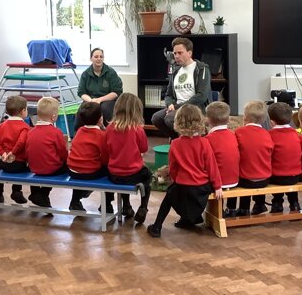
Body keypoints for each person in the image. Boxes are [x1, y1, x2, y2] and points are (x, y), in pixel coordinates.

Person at [147, 104, 222, 238]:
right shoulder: (204, 142)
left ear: (178, 122)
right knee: (182, 193)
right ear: (200, 121)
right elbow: (212, 166)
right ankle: (192, 218)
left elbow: (173, 168)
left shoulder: (175, 144)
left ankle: (157, 227)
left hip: (182, 186)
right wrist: (217, 186)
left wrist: (176, 180)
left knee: (169, 196)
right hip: (202, 188)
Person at [151, 37, 212, 140]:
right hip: (177, 107)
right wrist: (170, 104)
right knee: (156, 118)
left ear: (189, 53)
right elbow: (169, 94)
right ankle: (177, 140)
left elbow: (202, 96)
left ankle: (188, 140)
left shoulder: (201, 69)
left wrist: (177, 107)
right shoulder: (176, 71)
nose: (176, 56)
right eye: (175, 53)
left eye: (180, 53)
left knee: (170, 118)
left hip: (195, 108)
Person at [105, 93, 151, 224]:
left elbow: (107, 150)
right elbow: (144, 149)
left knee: (121, 172)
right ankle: (143, 207)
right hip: (133, 174)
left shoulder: (109, 128)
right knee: (148, 176)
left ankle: (126, 206)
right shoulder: (138, 129)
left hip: (114, 175)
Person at [67, 101, 113, 212]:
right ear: (100, 119)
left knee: (80, 167)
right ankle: (106, 204)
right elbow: (105, 159)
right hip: (90, 173)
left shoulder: (79, 131)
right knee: (111, 170)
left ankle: (75, 201)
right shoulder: (101, 135)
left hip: (72, 170)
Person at [26, 97, 69, 208]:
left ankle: (35, 193)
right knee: (63, 167)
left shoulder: (30, 132)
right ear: (53, 117)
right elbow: (62, 153)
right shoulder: (56, 132)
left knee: (40, 163)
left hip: (33, 168)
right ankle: (43, 194)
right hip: (51, 169)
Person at [234, 100, 273, 216]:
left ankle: (244, 208)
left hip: (245, 179)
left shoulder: (239, 132)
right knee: (259, 168)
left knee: (242, 172)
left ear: (245, 118)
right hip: (264, 179)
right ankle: (260, 204)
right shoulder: (267, 134)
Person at [0, 95, 30, 204]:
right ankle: (16, 191)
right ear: (23, 111)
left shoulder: (1, 126)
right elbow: (21, 142)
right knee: (24, 166)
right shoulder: (25, 127)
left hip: (4, 163)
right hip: (19, 165)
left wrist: (3, 153)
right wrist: (12, 153)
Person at [204, 101, 239, 216]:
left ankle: (217, 212)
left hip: (218, 182)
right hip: (234, 179)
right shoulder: (233, 135)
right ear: (228, 119)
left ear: (208, 120)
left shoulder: (208, 139)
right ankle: (232, 209)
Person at [267, 102, 302, 213]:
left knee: (275, 171)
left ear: (272, 122)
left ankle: (277, 203)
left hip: (277, 176)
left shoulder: (269, 135)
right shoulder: (296, 134)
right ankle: (294, 203)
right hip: (295, 175)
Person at [76, 48, 123, 127]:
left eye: (101, 57)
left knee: (105, 108)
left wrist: (99, 100)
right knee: (83, 110)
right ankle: (79, 132)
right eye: (96, 56)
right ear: (91, 58)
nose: (99, 59)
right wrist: (91, 101)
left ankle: (108, 131)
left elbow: (116, 92)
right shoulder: (85, 74)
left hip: (108, 100)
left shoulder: (111, 72)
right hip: (90, 100)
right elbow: (81, 92)